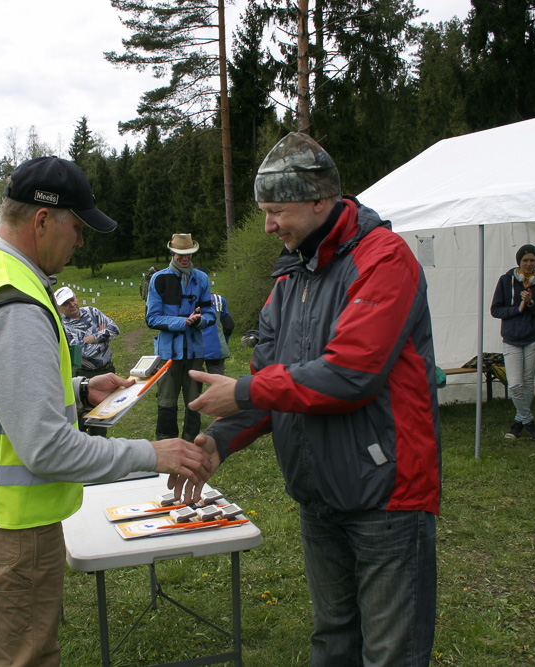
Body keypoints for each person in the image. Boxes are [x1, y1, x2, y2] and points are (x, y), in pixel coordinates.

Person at [0, 156, 211, 666]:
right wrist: (154, 453)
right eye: (76, 227)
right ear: (41, 220)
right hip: (10, 528)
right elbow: (48, 449)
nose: (80, 241)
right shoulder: (15, 303)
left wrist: (78, 390)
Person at [177, 132, 441, 666]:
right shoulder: (291, 273)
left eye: (277, 211)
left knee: (391, 653)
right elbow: (271, 377)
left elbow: (350, 373)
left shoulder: (384, 260)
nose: (269, 225)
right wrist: (220, 441)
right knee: (333, 638)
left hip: (385, 496)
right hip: (319, 492)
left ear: (321, 200)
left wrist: (245, 391)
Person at [145, 233, 216, 441]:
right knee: (166, 401)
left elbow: (210, 313)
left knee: (194, 402)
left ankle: (192, 442)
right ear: (172, 253)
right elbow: (152, 318)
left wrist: (200, 321)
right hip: (168, 353)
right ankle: (166, 443)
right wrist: (182, 322)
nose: (185, 259)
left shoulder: (201, 278)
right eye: (180, 255)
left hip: (195, 351)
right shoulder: (159, 279)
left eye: (189, 255)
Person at [490, 244, 535, 441]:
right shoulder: (506, 281)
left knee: (527, 383)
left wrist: (531, 304)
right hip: (512, 339)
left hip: (533, 339)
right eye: (525, 260)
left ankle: (518, 422)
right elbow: (496, 310)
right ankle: (530, 423)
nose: (528, 264)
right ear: (519, 262)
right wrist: (518, 308)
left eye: (532, 260)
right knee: (515, 385)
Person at [55, 285, 120, 436]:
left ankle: (100, 446)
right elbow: (85, 352)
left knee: (103, 415)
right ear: (59, 308)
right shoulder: (64, 327)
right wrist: (104, 337)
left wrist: (94, 337)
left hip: (107, 370)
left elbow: (115, 329)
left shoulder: (92, 311)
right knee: (85, 415)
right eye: (66, 303)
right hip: (85, 374)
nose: (72, 304)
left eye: (72, 300)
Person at [202, 294, 234, 376]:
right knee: (217, 381)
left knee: (193, 382)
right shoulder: (218, 299)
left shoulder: (187, 299)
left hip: (193, 348)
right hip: (215, 347)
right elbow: (229, 325)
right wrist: (224, 342)